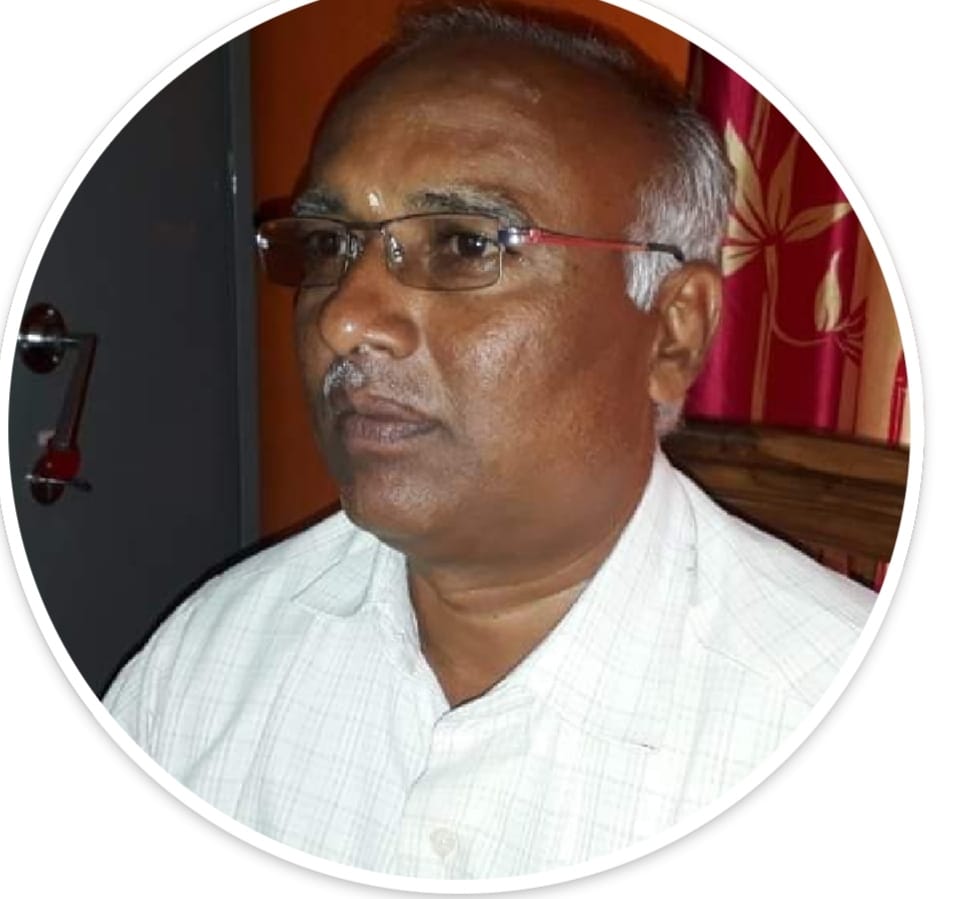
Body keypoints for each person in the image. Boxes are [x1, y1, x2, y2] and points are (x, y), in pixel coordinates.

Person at [105, 2, 872, 880]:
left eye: (467, 244)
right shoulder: (214, 660)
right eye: (328, 244)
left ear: (672, 331)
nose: (346, 318)